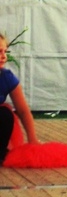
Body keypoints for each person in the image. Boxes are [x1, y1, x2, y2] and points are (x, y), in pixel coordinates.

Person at [0, 33, 39, 164]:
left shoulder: (6, 77)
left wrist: (32, 139)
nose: (4, 56)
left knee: (5, 114)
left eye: (5, 51)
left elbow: (23, 111)